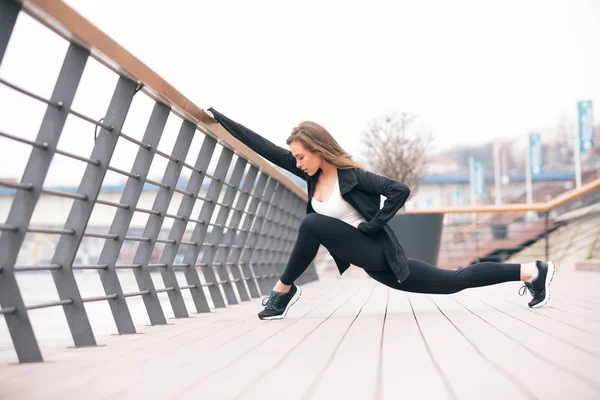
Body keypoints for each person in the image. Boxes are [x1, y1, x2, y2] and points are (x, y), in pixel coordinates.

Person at [204, 108, 555, 320]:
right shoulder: (308, 172)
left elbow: (398, 190)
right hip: (376, 266)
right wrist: (219, 119)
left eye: (301, 156)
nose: (296, 163)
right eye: (294, 158)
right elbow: (263, 147)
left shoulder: (352, 176)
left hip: (374, 249)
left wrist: (373, 225)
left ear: (319, 151)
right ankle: (531, 271)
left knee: (311, 222)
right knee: (453, 282)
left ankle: (282, 292)